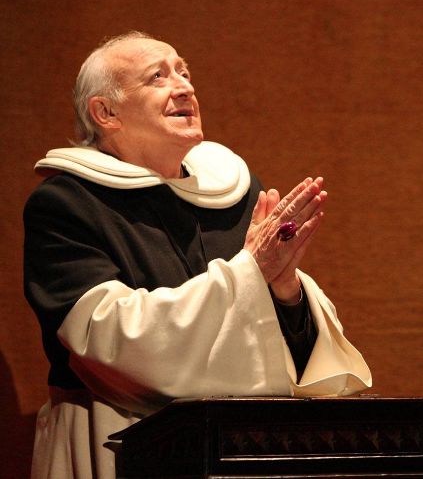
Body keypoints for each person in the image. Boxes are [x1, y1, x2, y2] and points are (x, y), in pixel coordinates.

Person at [23, 32, 372, 479]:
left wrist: (286, 293)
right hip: (116, 434)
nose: (184, 87)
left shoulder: (230, 192)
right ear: (105, 113)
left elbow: (271, 340)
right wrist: (252, 272)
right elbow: (109, 340)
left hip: (239, 444)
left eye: (184, 72)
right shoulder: (68, 203)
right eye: (158, 77)